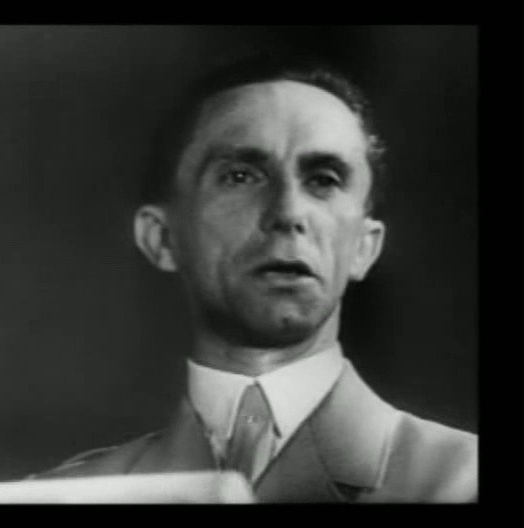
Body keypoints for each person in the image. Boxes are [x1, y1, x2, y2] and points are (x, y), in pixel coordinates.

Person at [31, 56, 478, 503]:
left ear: (364, 246)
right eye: (241, 176)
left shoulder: (463, 481)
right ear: (162, 237)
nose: (288, 213)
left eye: (324, 180)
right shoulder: (67, 496)